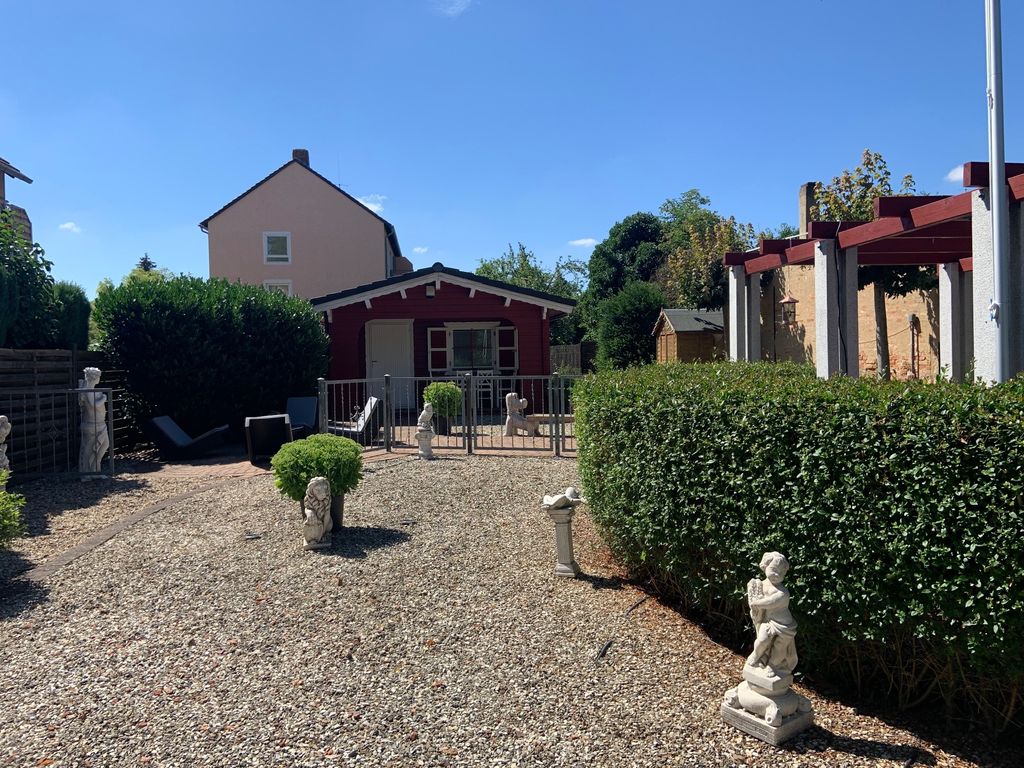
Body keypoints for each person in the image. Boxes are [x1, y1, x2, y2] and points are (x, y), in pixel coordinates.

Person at [745, 551, 798, 676]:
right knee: (762, 639)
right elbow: (753, 596)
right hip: (768, 621)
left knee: (780, 647)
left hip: (784, 625)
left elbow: (770, 602)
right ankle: (756, 656)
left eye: (781, 572)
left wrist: (757, 603)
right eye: (774, 569)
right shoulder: (760, 585)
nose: (777, 574)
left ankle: (773, 665)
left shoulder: (783, 592)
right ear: (765, 566)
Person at [78, 367, 109, 476]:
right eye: (98, 377)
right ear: (94, 378)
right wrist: (104, 397)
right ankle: (86, 472)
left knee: (104, 445)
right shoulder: (87, 390)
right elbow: (93, 405)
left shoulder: (92, 390)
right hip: (92, 425)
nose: (99, 379)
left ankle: (95, 470)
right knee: (88, 450)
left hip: (100, 424)